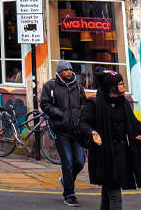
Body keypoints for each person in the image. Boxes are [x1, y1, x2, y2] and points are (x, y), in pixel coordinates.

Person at [78, 70, 141, 210]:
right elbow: (83, 123)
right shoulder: (94, 103)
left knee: (108, 193)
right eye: (120, 84)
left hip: (121, 155)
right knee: (114, 194)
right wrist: (92, 132)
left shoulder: (123, 103)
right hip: (104, 154)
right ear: (111, 87)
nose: (124, 86)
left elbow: (133, 122)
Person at [41, 60, 87, 207]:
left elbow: (84, 104)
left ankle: (65, 180)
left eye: (71, 70)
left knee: (79, 162)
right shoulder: (51, 86)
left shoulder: (78, 87)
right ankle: (69, 194)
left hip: (77, 131)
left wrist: (81, 118)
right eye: (66, 70)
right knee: (67, 162)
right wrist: (60, 114)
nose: (69, 72)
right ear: (59, 71)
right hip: (61, 130)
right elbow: (44, 104)